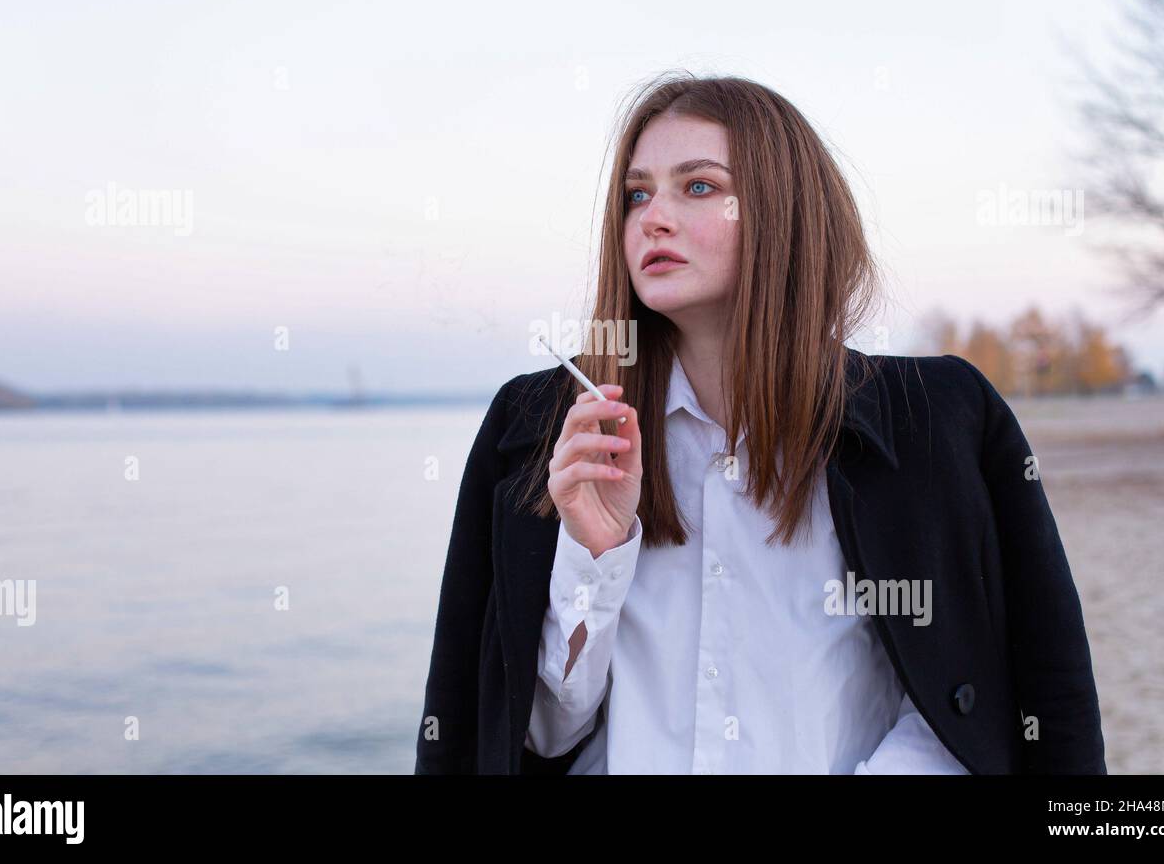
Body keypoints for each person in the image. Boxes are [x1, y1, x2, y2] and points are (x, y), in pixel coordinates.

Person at [414, 72, 1107, 775]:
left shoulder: (939, 419)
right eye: (636, 194)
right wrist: (594, 554)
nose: (653, 218)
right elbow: (532, 736)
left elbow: (1013, 688)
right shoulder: (539, 429)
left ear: (785, 210)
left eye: (700, 186)